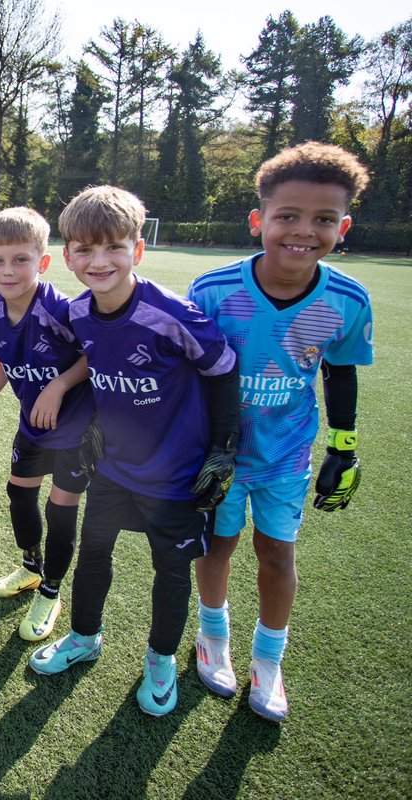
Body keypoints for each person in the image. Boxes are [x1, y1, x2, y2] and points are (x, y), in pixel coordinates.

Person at [28, 185, 239, 718]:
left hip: (175, 477)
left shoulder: (172, 314)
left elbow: (222, 369)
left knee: (170, 572)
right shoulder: (78, 313)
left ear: (137, 250)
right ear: (69, 255)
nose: (99, 261)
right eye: (85, 250)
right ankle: (83, 637)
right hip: (114, 470)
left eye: (114, 248)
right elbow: (95, 366)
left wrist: (224, 447)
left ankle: (161, 660)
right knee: (94, 554)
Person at [188, 142, 373, 722]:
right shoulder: (214, 291)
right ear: (258, 220)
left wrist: (344, 450)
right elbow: (191, 376)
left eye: (323, 220)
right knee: (217, 544)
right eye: (287, 216)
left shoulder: (346, 300)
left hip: (286, 455)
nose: (303, 231)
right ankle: (212, 636)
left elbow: (340, 375)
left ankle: (269, 659)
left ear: (342, 226)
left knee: (276, 554)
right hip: (221, 454)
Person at [0, 207, 93, 641]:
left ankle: (52, 592)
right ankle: (31, 568)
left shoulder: (63, 310)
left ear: (42, 262)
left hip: (76, 429)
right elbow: (5, 362)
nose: (8, 270)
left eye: (20, 260)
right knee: (19, 495)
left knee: (60, 509)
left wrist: (58, 386)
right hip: (33, 425)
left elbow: (94, 356)